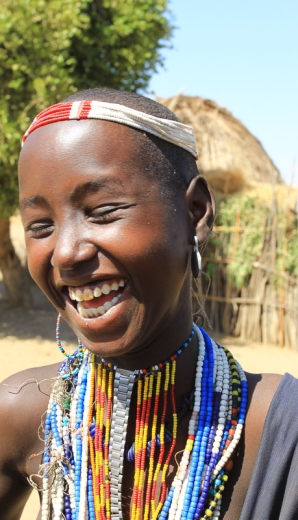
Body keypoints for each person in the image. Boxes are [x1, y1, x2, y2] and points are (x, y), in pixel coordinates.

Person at [0, 88, 297, 520]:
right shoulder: (19, 413)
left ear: (195, 213)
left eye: (103, 210)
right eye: (40, 225)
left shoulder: (281, 431)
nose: (65, 253)